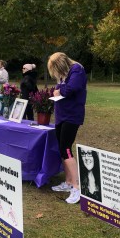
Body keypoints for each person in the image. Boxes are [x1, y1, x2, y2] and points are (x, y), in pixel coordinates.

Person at [47, 52, 87, 204]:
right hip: (61, 115)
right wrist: (58, 91)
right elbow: (60, 88)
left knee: (66, 148)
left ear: (60, 65)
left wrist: (59, 91)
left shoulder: (77, 70)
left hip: (72, 116)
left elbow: (71, 88)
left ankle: (77, 187)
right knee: (62, 149)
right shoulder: (64, 75)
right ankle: (69, 181)